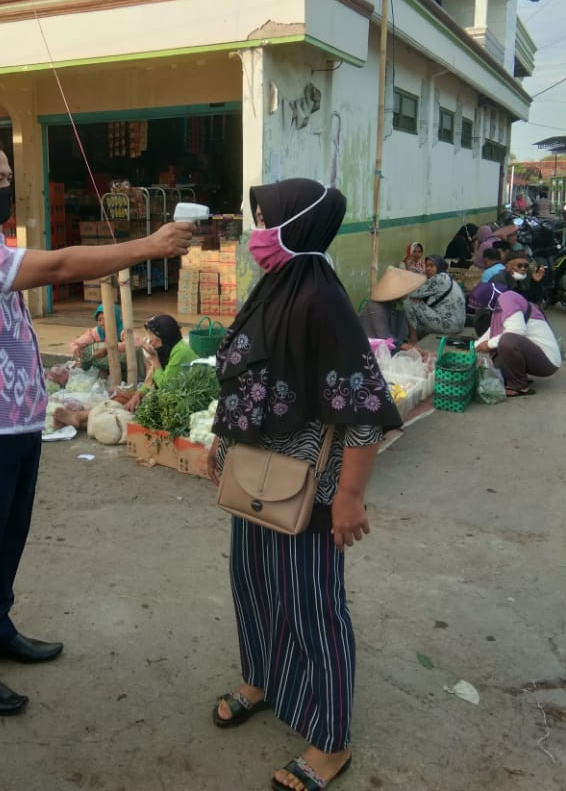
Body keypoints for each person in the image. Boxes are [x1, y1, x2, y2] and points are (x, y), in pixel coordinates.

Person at [0, 129, 193, 716]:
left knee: (7, 539)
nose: (6, 192)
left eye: (7, 181)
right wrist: (147, 245)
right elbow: (61, 265)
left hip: (16, 422)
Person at [206, 178, 401, 791]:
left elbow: (364, 408)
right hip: (254, 478)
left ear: (297, 226)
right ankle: (262, 679)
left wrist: (349, 496)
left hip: (309, 490)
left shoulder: (322, 301)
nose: (255, 232)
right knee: (254, 585)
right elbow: (244, 375)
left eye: (265, 219)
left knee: (313, 609)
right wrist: (223, 438)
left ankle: (331, 741)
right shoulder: (274, 287)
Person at [470, 283, 561, 396]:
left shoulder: (507, 299)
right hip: (537, 356)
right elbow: (492, 330)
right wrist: (474, 346)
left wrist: (488, 345)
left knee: (507, 341)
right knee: (500, 367)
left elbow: (516, 331)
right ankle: (519, 376)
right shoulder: (501, 303)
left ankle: (519, 386)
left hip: (547, 362)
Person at [123, 314, 198, 412]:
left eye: (152, 334)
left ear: (165, 334)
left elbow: (165, 387)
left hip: (191, 401)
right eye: (149, 334)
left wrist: (154, 358)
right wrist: (139, 394)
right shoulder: (165, 349)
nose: (149, 339)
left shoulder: (180, 352)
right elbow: (151, 378)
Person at [69, 303, 145, 381]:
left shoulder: (125, 330)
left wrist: (107, 349)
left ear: (114, 318)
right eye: (99, 320)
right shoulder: (97, 331)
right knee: (87, 349)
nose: (102, 323)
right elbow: (78, 342)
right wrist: (75, 347)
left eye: (105, 319)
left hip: (130, 368)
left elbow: (134, 345)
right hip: (111, 366)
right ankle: (91, 368)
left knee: (106, 349)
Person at [359, 266, 425, 348]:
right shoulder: (376, 307)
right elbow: (384, 337)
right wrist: (406, 347)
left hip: (386, 345)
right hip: (370, 348)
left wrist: (411, 338)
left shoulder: (394, 304)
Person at [404, 255, 466, 342]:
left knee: (409, 302)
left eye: (432, 266)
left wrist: (409, 269)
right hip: (458, 324)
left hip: (450, 325)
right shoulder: (446, 277)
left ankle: (413, 338)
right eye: (427, 266)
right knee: (418, 303)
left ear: (439, 266)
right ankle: (419, 335)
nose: (428, 268)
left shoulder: (439, 278)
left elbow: (413, 293)